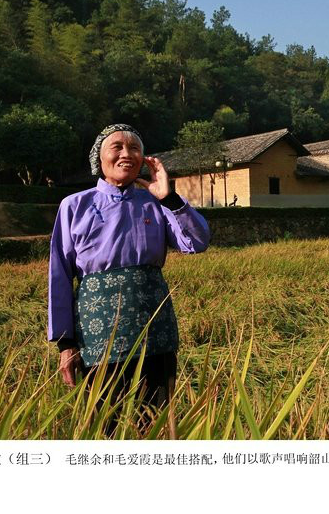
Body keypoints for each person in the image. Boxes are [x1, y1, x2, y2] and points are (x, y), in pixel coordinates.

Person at [48, 123, 210, 432]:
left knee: (158, 424)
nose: (127, 154)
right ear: (99, 158)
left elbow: (197, 242)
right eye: (117, 147)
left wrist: (170, 198)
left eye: (135, 148)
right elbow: (59, 277)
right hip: (98, 339)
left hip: (155, 334)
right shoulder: (74, 206)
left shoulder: (155, 203)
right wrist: (65, 344)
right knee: (106, 425)